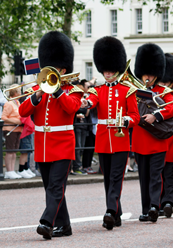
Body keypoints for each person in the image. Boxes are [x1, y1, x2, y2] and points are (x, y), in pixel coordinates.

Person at [19, 31, 83, 239]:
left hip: (63, 144)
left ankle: (47, 222)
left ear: (63, 70)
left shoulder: (72, 90)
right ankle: (64, 226)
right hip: (43, 145)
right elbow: (22, 112)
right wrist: (37, 95)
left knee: (56, 186)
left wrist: (56, 91)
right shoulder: (39, 88)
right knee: (51, 188)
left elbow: (71, 108)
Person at [81, 36, 140, 230]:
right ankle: (117, 213)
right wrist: (87, 103)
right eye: (105, 70)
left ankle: (109, 211)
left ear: (117, 69)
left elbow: (135, 116)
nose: (107, 73)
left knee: (116, 177)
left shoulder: (127, 90)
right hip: (104, 140)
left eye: (111, 69)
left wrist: (125, 121)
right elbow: (92, 100)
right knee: (107, 178)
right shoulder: (98, 90)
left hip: (120, 139)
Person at [132, 43, 171, 223]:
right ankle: (146, 209)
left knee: (156, 176)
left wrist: (156, 115)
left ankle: (155, 206)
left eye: (151, 74)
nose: (148, 77)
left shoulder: (164, 92)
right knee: (144, 178)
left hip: (157, 141)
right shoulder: (135, 92)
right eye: (145, 74)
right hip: (140, 140)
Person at [159, 53, 173, 218]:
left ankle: (168, 202)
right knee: (157, 175)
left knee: (171, 174)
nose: (163, 84)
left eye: (166, 82)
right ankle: (158, 203)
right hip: (157, 142)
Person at [2, 84, 25, 179]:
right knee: (10, 151)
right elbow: (3, 117)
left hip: (17, 129)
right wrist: (16, 121)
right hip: (10, 129)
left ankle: (12, 170)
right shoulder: (9, 103)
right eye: (19, 91)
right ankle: (9, 170)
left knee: (14, 151)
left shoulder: (17, 102)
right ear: (15, 93)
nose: (21, 93)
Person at [71, 79, 90, 175]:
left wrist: (88, 103)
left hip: (83, 125)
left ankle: (79, 166)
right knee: (77, 147)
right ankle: (76, 167)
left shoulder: (83, 98)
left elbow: (86, 113)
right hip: (77, 125)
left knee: (81, 148)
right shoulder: (74, 98)